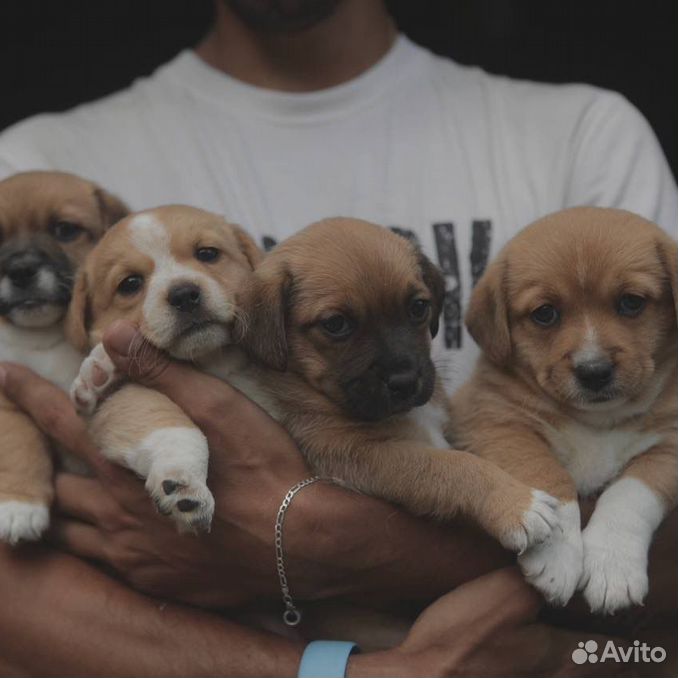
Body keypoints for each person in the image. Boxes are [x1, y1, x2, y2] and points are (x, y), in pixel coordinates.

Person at [0, 0, 675, 675]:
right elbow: (16, 586)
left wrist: (338, 548)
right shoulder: (40, 168)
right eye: (334, 326)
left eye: (417, 310)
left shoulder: (585, 133)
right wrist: (340, 673)